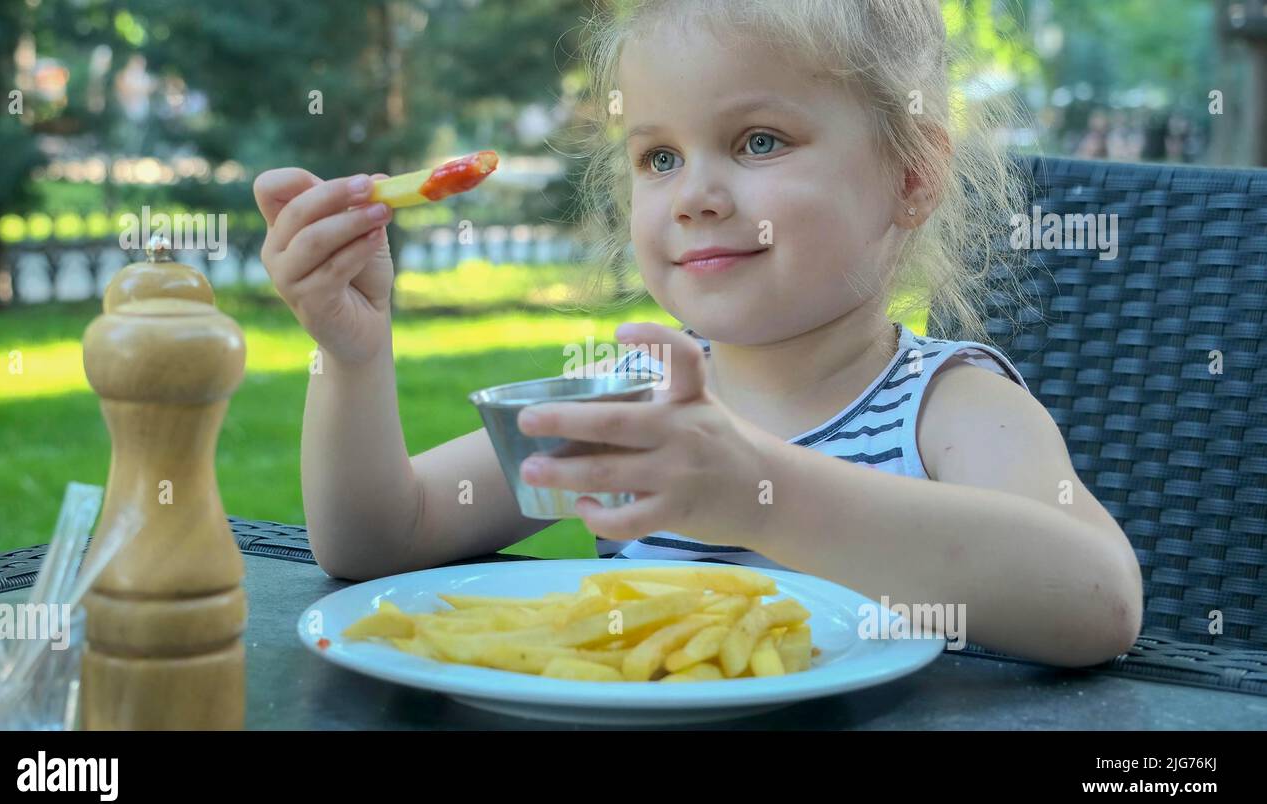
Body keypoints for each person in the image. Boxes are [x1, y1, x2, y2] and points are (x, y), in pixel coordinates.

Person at [252, 0, 1142, 667]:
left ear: (912, 176)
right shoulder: (627, 406)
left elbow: (1098, 601)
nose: (694, 195)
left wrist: (758, 489)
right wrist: (351, 352)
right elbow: (377, 538)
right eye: (660, 157)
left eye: (758, 141)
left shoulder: (950, 407)